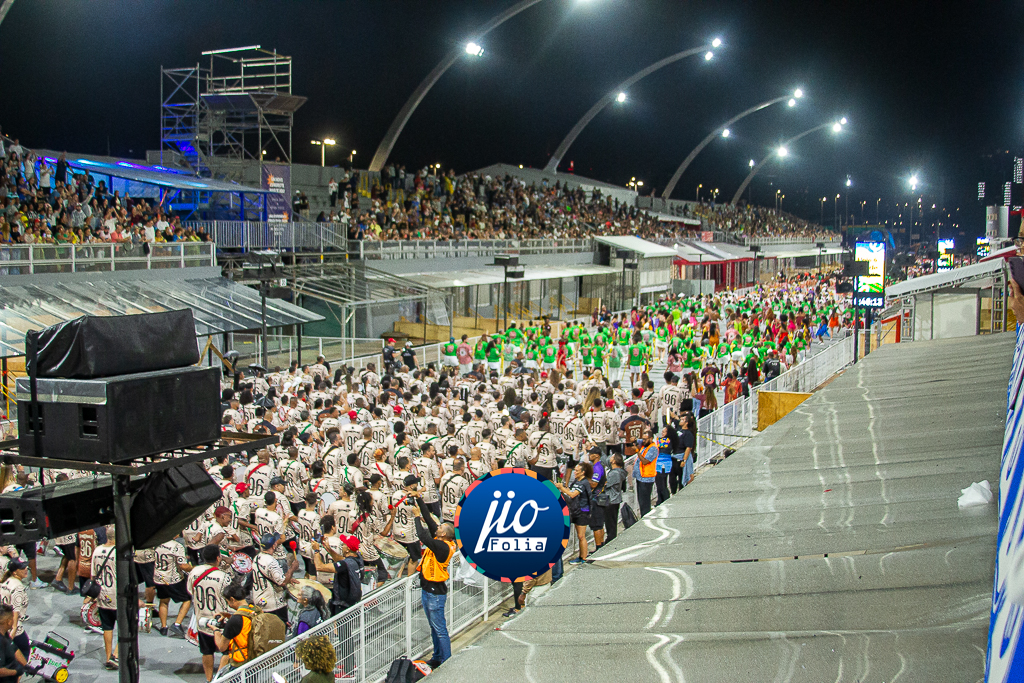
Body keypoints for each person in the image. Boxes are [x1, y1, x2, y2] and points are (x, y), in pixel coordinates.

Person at [411, 494, 455, 667]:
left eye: (440, 527)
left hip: (435, 592)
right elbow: (429, 520)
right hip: (428, 589)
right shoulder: (441, 540)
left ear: (443, 534)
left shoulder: (442, 547)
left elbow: (423, 536)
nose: (437, 527)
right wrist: (419, 499)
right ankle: (437, 657)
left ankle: (447, 661)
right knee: (433, 628)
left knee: (440, 629)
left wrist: (415, 517)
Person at [187, 545, 232, 682]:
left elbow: (190, 591)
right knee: (227, 651)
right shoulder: (223, 576)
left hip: (202, 619)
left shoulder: (194, 572)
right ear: (218, 558)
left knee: (206, 651)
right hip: (219, 621)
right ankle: (218, 678)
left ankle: (208, 679)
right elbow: (229, 599)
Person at [252, 533, 299, 625]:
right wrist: (292, 568)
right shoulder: (271, 561)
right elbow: (282, 582)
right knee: (278, 631)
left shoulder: (257, 557)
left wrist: (288, 578)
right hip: (273, 605)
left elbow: (270, 576)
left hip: (260, 600)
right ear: (274, 546)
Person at [91, 526, 118, 670]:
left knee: (107, 627)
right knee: (127, 625)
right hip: (117, 594)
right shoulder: (118, 553)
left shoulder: (97, 551)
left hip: (102, 594)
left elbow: (93, 575)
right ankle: (116, 655)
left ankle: (108, 657)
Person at [154, 536, 193, 637]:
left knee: (163, 601)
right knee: (187, 600)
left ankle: (163, 627)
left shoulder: (158, 543)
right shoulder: (176, 546)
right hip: (173, 579)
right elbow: (183, 566)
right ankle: (177, 624)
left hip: (159, 577)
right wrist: (193, 568)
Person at [555, 462, 593, 564]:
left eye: (577, 471)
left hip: (583, 511)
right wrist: (563, 488)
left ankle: (584, 558)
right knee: (578, 535)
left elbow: (573, 494)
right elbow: (570, 490)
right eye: (575, 470)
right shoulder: (577, 481)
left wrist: (561, 488)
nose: (574, 472)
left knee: (581, 536)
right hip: (575, 510)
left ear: (583, 472)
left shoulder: (584, 483)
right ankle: (580, 556)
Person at [0, 560, 29, 659]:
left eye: (25, 567)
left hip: (3, 621)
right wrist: (14, 628)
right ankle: (17, 673)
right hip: (12, 624)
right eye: (22, 568)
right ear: (15, 572)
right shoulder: (18, 587)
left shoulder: (5, 581)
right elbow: (15, 609)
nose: (26, 569)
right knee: (24, 651)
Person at [633, 427, 659, 517]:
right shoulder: (645, 444)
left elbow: (645, 461)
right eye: (642, 439)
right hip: (640, 477)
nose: (643, 441)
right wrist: (634, 439)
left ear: (651, 439)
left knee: (645, 501)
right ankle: (643, 515)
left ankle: (646, 516)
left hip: (646, 478)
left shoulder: (653, 448)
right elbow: (636, 441)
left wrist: (637, 451)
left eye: (645, 439)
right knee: (640, 500)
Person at [0, 606, 28, 682]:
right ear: (8, 621)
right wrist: (16, 671)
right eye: (12, 618)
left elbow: (14, 648)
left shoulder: (4, 633)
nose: (14, 621)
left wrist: (26, 666)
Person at [604, 454, 627, 542]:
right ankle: (611, 537)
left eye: (612, 457)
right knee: (611, 521)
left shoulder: (615, 473)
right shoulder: (619, 471)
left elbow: (606, 485)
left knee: (610, 522)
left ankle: (611, 539)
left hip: (611, 500)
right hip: (614, 499)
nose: (609, 457)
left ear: (614, 461)